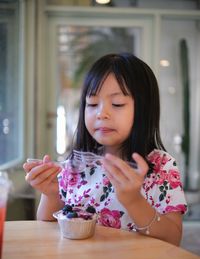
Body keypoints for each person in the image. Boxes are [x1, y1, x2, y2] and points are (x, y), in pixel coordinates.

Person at [23, 53, 187, 246]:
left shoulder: (161, 166)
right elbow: (47, 230)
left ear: (144, 109)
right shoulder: (74, 166)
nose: (101, 113)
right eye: (92, 104)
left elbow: (173, 239)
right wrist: (51, 193)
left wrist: (134, 201)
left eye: (117, 104)